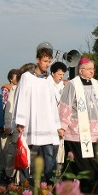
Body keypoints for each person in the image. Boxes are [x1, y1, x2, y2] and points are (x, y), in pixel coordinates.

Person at [58, 58, 98, 192]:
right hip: (76, 130)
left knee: (91, 159)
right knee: (77, 160)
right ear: (81, 70)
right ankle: (77, 186)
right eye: (89, 69)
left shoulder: (95, 84)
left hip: (93, 130)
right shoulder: (72, 84)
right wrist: (62, 126)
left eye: (93, 69)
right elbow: (66, 105)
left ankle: (89, 185)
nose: (92, 72)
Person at [14, 48, 63, 183]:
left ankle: (50, 182)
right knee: (26, 151)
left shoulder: (48, 79)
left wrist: (57, 124)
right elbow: (21, 98)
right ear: (38, 60)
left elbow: (52, 103)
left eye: (49, 61)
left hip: (46, 123)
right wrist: (20, 121)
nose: (47, 64)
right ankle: (24, 180)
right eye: (45, 61)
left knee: (49, 154)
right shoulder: (26, 77)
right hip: (30, 121)